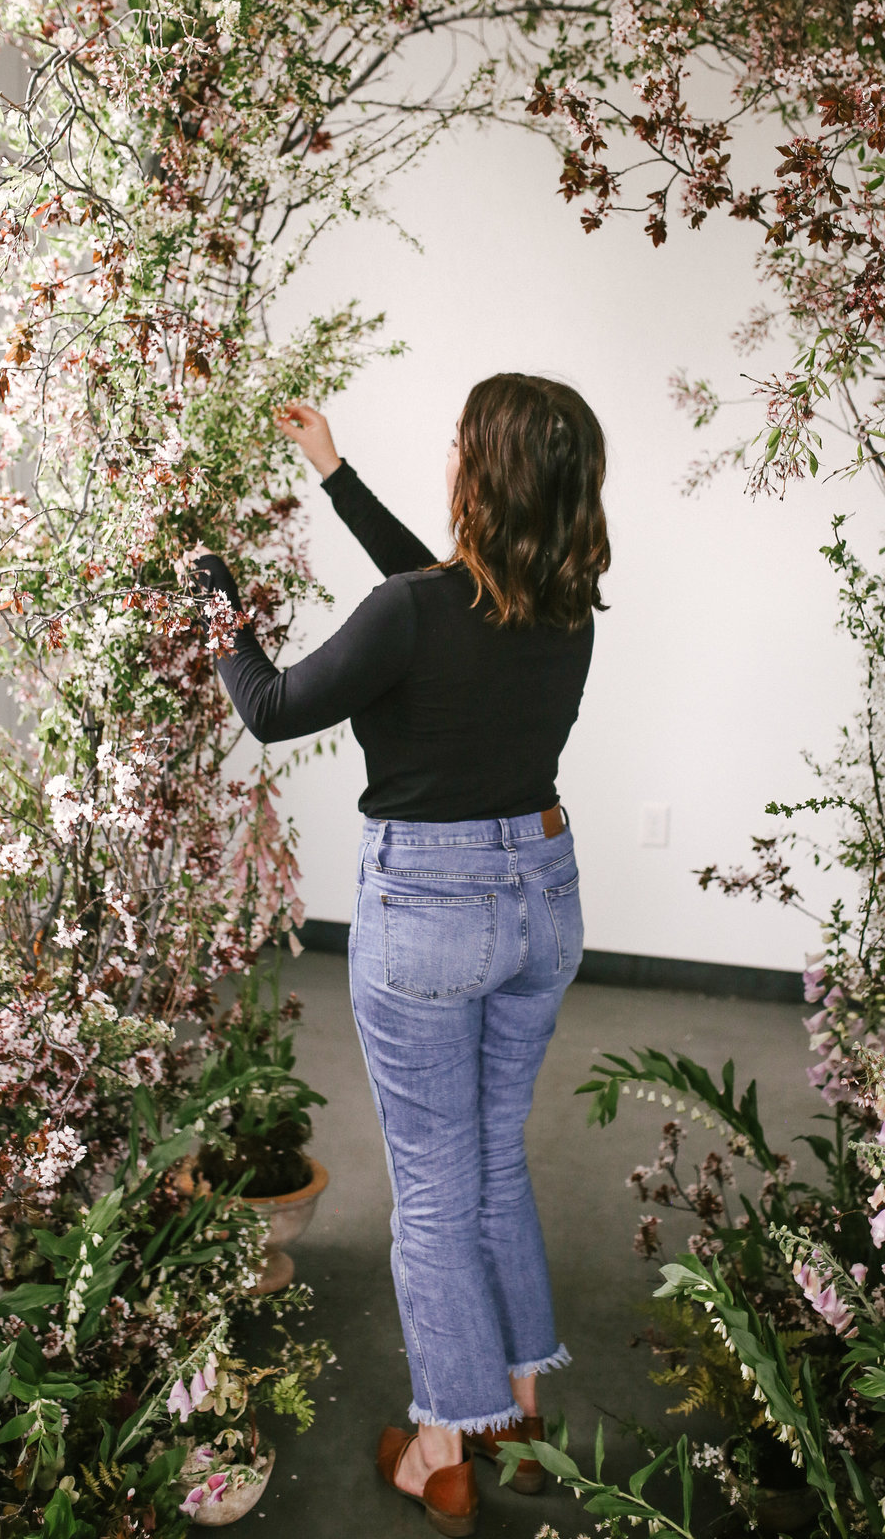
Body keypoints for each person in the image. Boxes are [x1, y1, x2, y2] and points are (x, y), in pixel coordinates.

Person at [190, 374, 609, 1537]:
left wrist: (215, 611)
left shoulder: (424, 611)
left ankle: (441, 1450)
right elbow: (432, 589)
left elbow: (270, 707)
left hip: (430, 908)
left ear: (481, 473)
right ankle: (518, 1411)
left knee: (431, 1193)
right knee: (491, 1163)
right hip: (543, 897)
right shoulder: (564, 602)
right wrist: (335, 474)